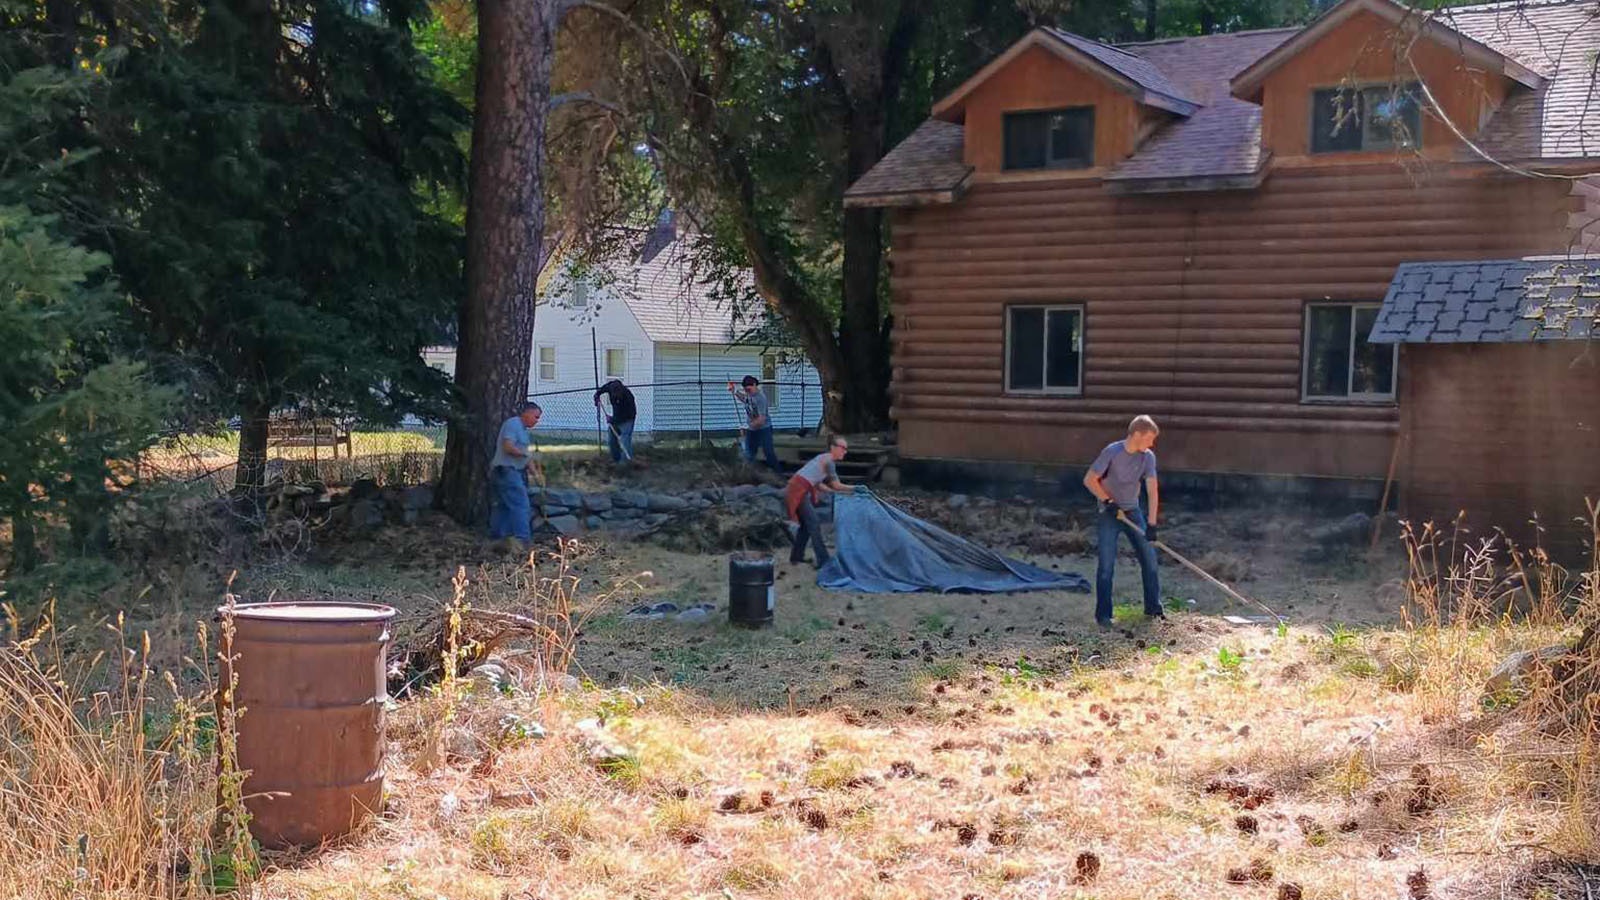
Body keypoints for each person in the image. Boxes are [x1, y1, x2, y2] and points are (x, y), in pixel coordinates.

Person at [1082, 415, 1163, 629]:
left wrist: (1152, 524)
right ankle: (1104, 616)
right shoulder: (1112, 452)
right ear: (1137, 434)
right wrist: (1107, 502)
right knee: (1106, 566)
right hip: (1109, 513)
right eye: (1149, 438)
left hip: (1132, 512)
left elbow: (1152, 490)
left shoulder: (1148, 457)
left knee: (1150, 560)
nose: (1151, 444)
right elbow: (1089, 479)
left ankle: (1153, 609)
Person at [786, 435, 850, 567]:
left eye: (846, 448)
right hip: (798, 490)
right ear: (833, 448)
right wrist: (855, 489)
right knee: (814, 523)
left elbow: (819, 484)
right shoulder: (829, 462)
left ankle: (796, 557)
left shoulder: (823, 458)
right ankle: (823, 560)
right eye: (842, 448)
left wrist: (835, 492)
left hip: (797, 488)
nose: (845, 451)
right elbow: (836, 484)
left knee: (806, 525)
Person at [488, 401, 542, 544]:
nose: (537, 421)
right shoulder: (513, 424)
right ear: (527, 413)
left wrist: (536, 475)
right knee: (521, 505)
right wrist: (524, 455)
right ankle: (523, 541)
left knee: (504, 506)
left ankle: (498, 539)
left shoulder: (523, 431)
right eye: (536, 417)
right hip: (506, 471)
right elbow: (508, 446)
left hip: (510, 471)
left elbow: (527, 457)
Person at [727, 375, 779, 471]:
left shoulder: (760, 398)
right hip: (752, 430)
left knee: (768, 452)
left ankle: (777, 473)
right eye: (746, 390)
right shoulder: (749, 395)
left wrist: (747, 427)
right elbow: (745, 399)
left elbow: (761, 420)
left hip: (764, 429)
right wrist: (734, 391)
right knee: (749, 453)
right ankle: (750, 473)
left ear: (754, 385)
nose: (747, 392)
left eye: (749, 390)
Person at [593, 379, 637, 464]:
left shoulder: (628, 397)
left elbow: (626, 414)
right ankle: (616, 460)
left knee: (625, 441)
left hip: (627, 419)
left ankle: (625, 463)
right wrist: (597, 395)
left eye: (617, 395)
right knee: (611, 440)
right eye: (614, 394)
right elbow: (603, 389)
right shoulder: (610, 387)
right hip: (617, 417)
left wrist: (612, 419)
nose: (615, 396)